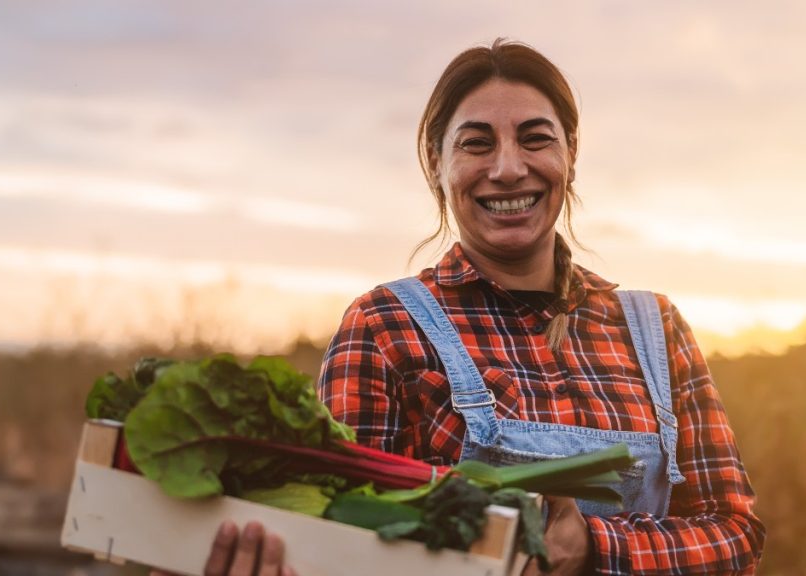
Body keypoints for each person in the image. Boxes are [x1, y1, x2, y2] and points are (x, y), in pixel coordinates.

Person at [159, 38, 765, 576]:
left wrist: (594, 547)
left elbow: (736, 537)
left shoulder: (654, 328)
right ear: (436, 163)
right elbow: (344, 541)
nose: (508, 168)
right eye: (477, 144)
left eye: (536, 139)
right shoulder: (383, 328)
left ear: (570, 154)